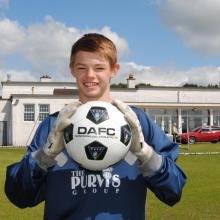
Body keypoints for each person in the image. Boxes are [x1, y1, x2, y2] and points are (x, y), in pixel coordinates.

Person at [5, 33, 186, 220]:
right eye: (81, 67)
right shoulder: (55, 125)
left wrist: (145, 154)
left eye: (99, 67)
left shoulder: (136, 121)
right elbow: (19, 195)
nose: (90, 75)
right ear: (72, 69)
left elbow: (173, 190)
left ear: (114, 70)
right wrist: (45, 156)